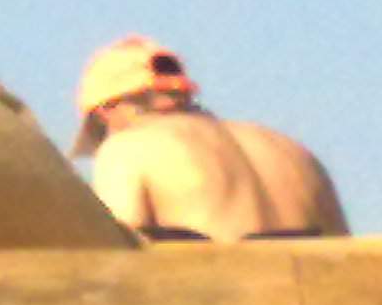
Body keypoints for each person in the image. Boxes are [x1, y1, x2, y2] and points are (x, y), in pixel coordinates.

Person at [71, 36, 348, 242]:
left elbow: (116, 257)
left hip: (223, 297)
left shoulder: (126, 149)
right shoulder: (290, 148)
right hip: (308, 299)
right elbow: (345, 252)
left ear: (106, 110)